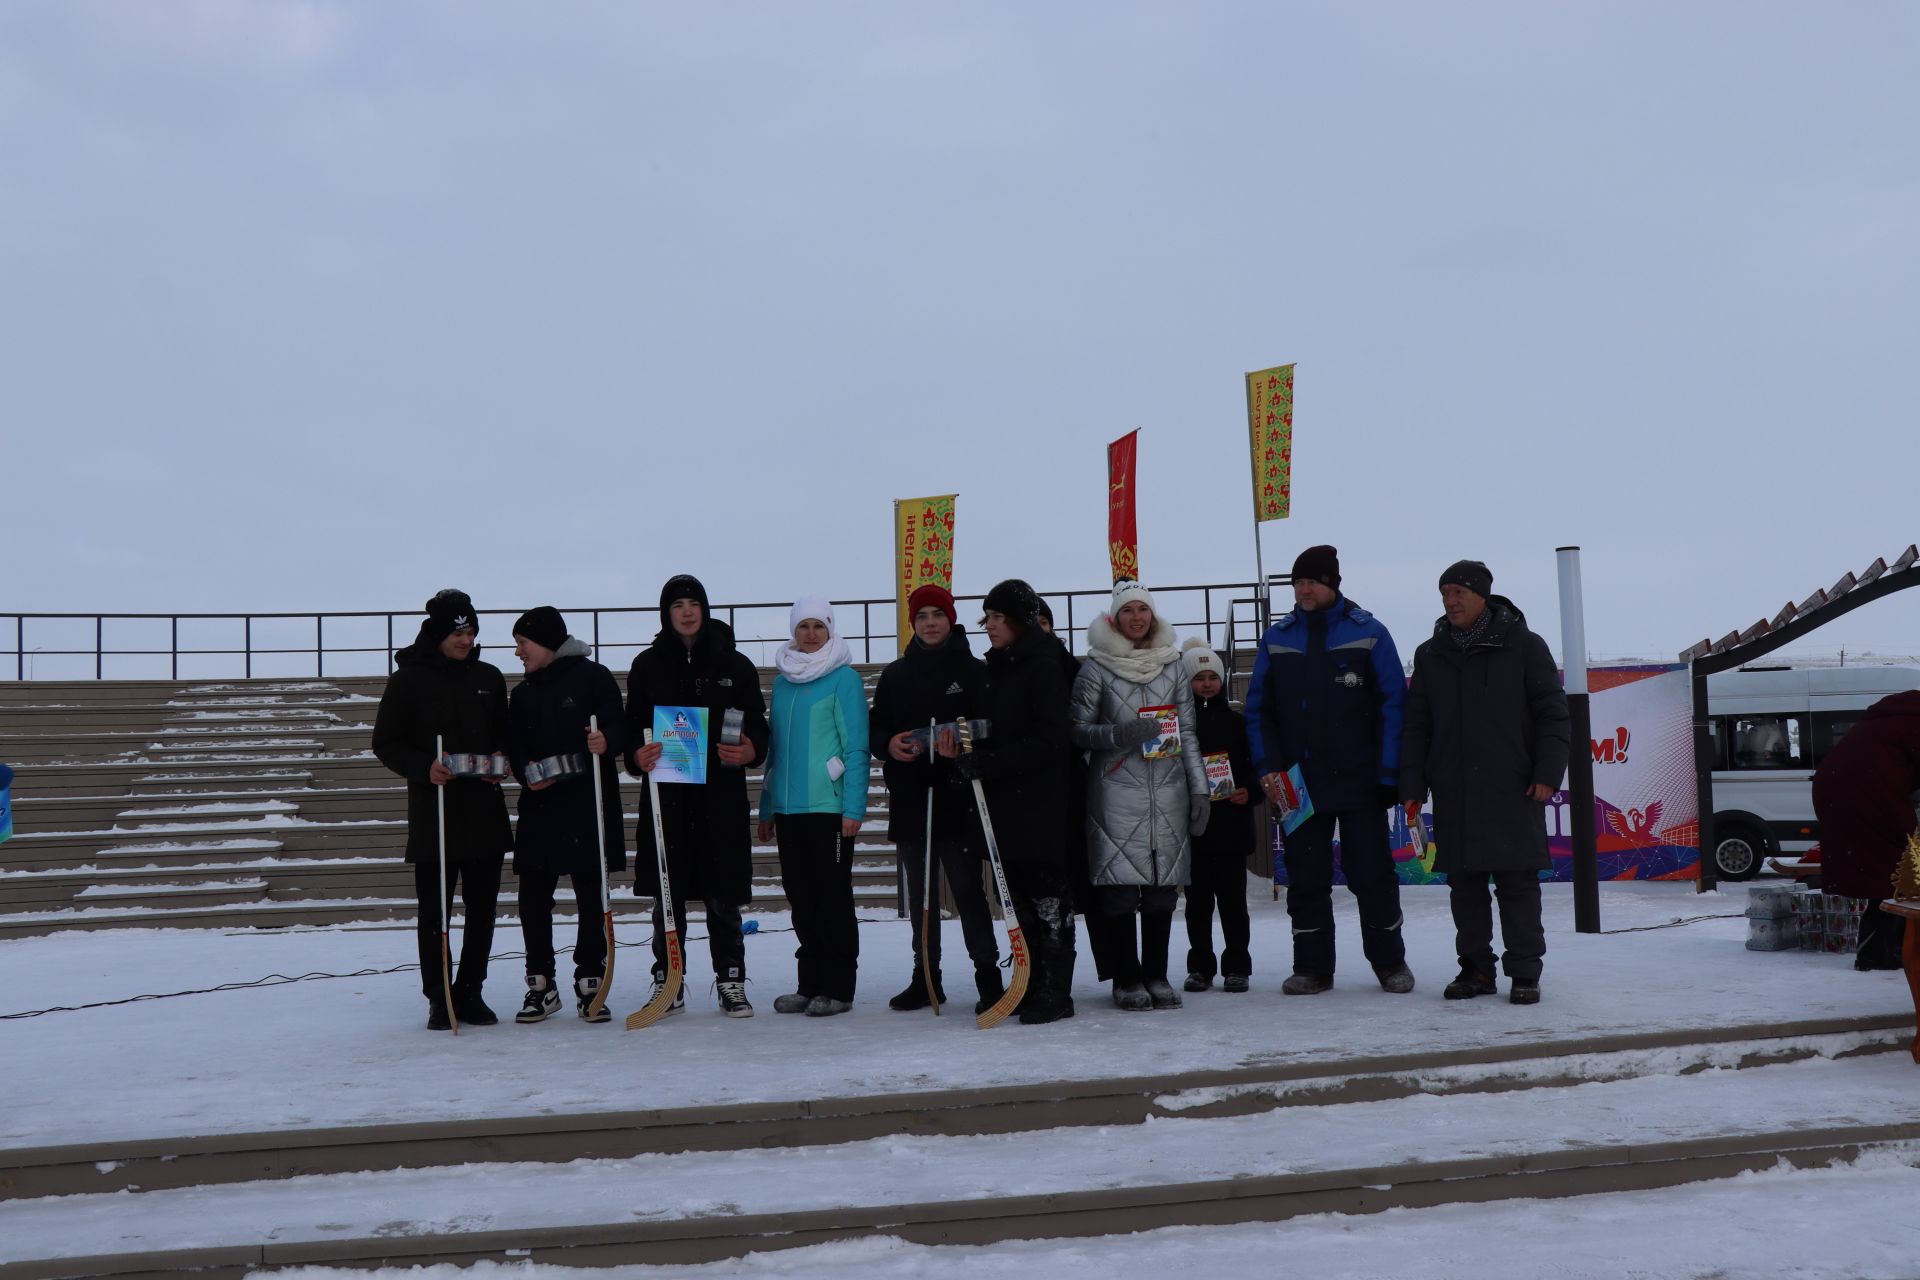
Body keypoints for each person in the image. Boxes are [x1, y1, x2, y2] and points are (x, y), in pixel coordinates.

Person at [1245, 545, 1414, 996]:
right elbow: (1259, 710)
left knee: (1372, 875)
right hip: (1297, 785)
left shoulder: (1370, 632)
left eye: (1312, 582)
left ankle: (1389, 962)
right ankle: (1312, 968)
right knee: (1306, 877)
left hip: (1359, 780)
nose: (1304, 589)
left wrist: (1387, 775)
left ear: (1332, 585)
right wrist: (1269, 768)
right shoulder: (1276, 637)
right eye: (1298, 582)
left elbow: (1393, 705)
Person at [1399, 560, 1570, 1005]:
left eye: (1459, 592)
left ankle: (1525, 972)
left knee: (1517, 885)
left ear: (1483, 596)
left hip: (1514, 788)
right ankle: (1475, 971)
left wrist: (1547, 774)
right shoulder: (1430, 654)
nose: (1450, 601)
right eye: (1445, 594)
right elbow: (1417, 726)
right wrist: (1413, 784)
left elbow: (1553, 716)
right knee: (1465, 888)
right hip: (1455, 791)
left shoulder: (1526, 646)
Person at [625, 575, 767, 1019]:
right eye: (678, 604)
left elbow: (757, 727)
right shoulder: (647, 665)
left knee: (722, 895)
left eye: (694, 603)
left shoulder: (735, 664)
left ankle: (730, 978)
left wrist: (750, 750)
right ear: (666, 613)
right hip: (668, 799)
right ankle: (669, 979)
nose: (687, 612)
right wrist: (637, 753)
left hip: (719, 799)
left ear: (705, 610)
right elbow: (632, 727)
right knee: (667, 895)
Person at [372, 589, 513, 1030]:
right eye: (457, 632)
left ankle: (472, 990)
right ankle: (439, 996)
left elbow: (504, 736)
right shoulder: (407, 680)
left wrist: (501, 760)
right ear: (436, 633)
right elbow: (385, 742)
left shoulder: (490, 677)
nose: (465, 640)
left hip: (484, 815)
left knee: (483, 910)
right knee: (435, 913)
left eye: (470, 631)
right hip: (436, 816)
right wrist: (422, 767)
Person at [1068, 580, 1210, 1011]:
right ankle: (1127, 978)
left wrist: (1200, 789)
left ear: (1152, 616)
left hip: (1168, 792)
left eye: (1142, 610)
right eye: (1127, 611)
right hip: (1115, 792)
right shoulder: (1095, 668)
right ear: (1114, 617)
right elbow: (1075, 732)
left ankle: (1157, 975)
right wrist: (1118, 735)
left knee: (1163, 890)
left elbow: (1186, 733)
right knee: (1121, 891)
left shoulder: (1173, 666)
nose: (1136, 618)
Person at [870, 584, 1002, 1014]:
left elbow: (990, 728)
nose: (930, 622)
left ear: (951, 620)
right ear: (913, 623)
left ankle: (989, 977)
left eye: (937, 615)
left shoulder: (973, 670)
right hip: (912, 797)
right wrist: (889, 745)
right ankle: (926, 977)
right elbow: (876, 731)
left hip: (958, 797)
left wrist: (961, 744)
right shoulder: (895, 674)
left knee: (967, 891)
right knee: (921, 894)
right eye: (922, 615)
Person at [953, 579, 1078, 1024]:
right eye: (987, 617)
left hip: (1039, 806)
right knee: (1017, 901)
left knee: (1048, 903)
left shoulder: (1043, 665)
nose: (989, 626)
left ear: (1020, 621)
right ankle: (1026, 982)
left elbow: (1049, 740)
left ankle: (1055, 990)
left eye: (998, 617)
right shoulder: (997, 667)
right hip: (1005, 805)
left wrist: (990, 763)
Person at [506, 607, 626, 1024]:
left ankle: (590, 979)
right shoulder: (521, 694)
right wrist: (525, 772)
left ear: (546, 641)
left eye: (523, 643)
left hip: (586, 803)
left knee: (591, 895)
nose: (519, 652)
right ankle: (541, 983)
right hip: (540, 807)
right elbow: (515, 744)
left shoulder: (594, 677)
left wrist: (606, 739)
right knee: (533, 898)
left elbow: (620, 727)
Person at [758, 597, 870, 1017]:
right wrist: (767, 808)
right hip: (789, 810)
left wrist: (854, 807)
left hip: (829, 808)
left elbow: (857, 747)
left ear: (830, 630)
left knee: (832, 898)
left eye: (818, 626)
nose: (810, 634)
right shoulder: (785, 682)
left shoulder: (844, 679)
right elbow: (775, 752)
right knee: (801, 898)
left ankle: (838, 987)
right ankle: (810, 984)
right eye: (803, 626)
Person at [1811, 690, 1920, 970]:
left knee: (1891, 874)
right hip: (1868, 793)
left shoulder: (1893, 717)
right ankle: (1883, 952)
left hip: (1836, 788)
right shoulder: (1912, 721)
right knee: (1903, 871)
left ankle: (1884, 950)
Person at [1181, 639, 1255, 993]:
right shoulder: (1178, 727)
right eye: (1198, 678)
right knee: (1196, 906)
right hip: (1192, 830)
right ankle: (1200, 967)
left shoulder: (1238, 724)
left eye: (1212, 676)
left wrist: (1249, 792)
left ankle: (1237, 965)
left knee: (1232, 904)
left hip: (1231, 828)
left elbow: (1255, 770)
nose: (1207, 683)